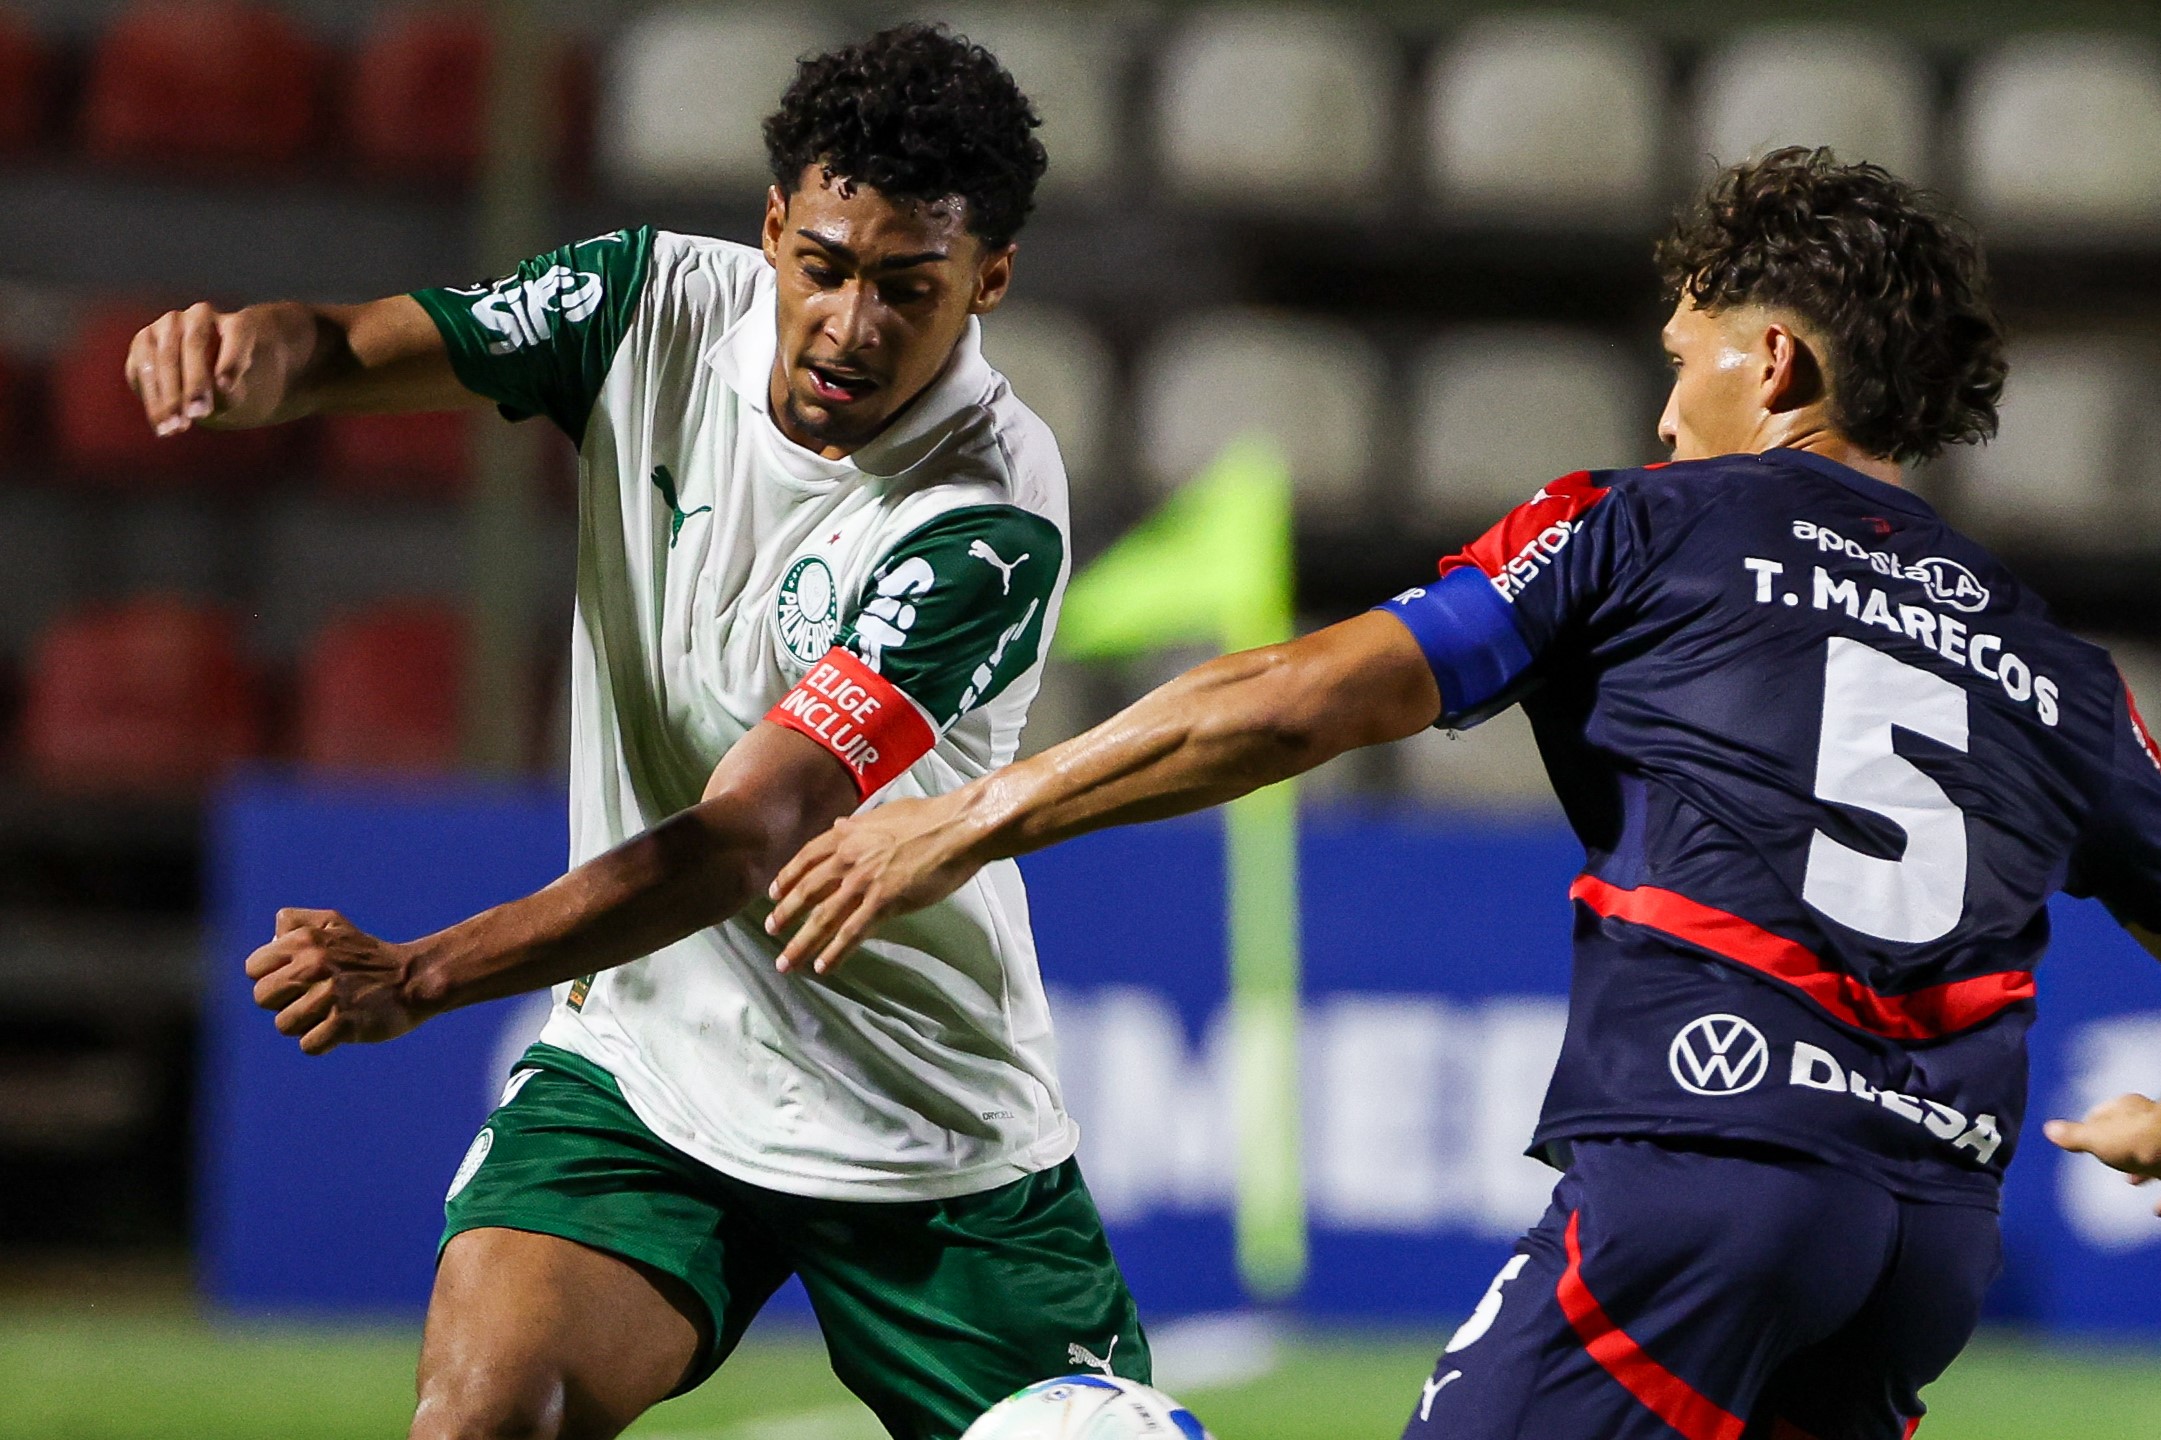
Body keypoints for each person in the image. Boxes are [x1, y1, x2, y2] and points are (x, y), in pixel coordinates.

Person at [767, 147, 2161, 1439]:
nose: (1665, 409)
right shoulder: (2057, 669)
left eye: (1681, 361)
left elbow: (1295, 699)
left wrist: (972, 813)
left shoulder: (1636, 525)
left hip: (1704, 1171)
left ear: (1774, 358)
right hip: (1924, 1241)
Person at [128, 25, 1147, 1440]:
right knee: (484, 1420)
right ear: (776, 225)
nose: (851, 326)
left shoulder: (982, 512)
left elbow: (745, 840)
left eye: (909, 290)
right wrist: (252, 357)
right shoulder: (647, 304)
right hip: (650, 1076)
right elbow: (352, 346)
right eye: (827, 267)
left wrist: (423, 974)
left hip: (921, 1121)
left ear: (989, 280)